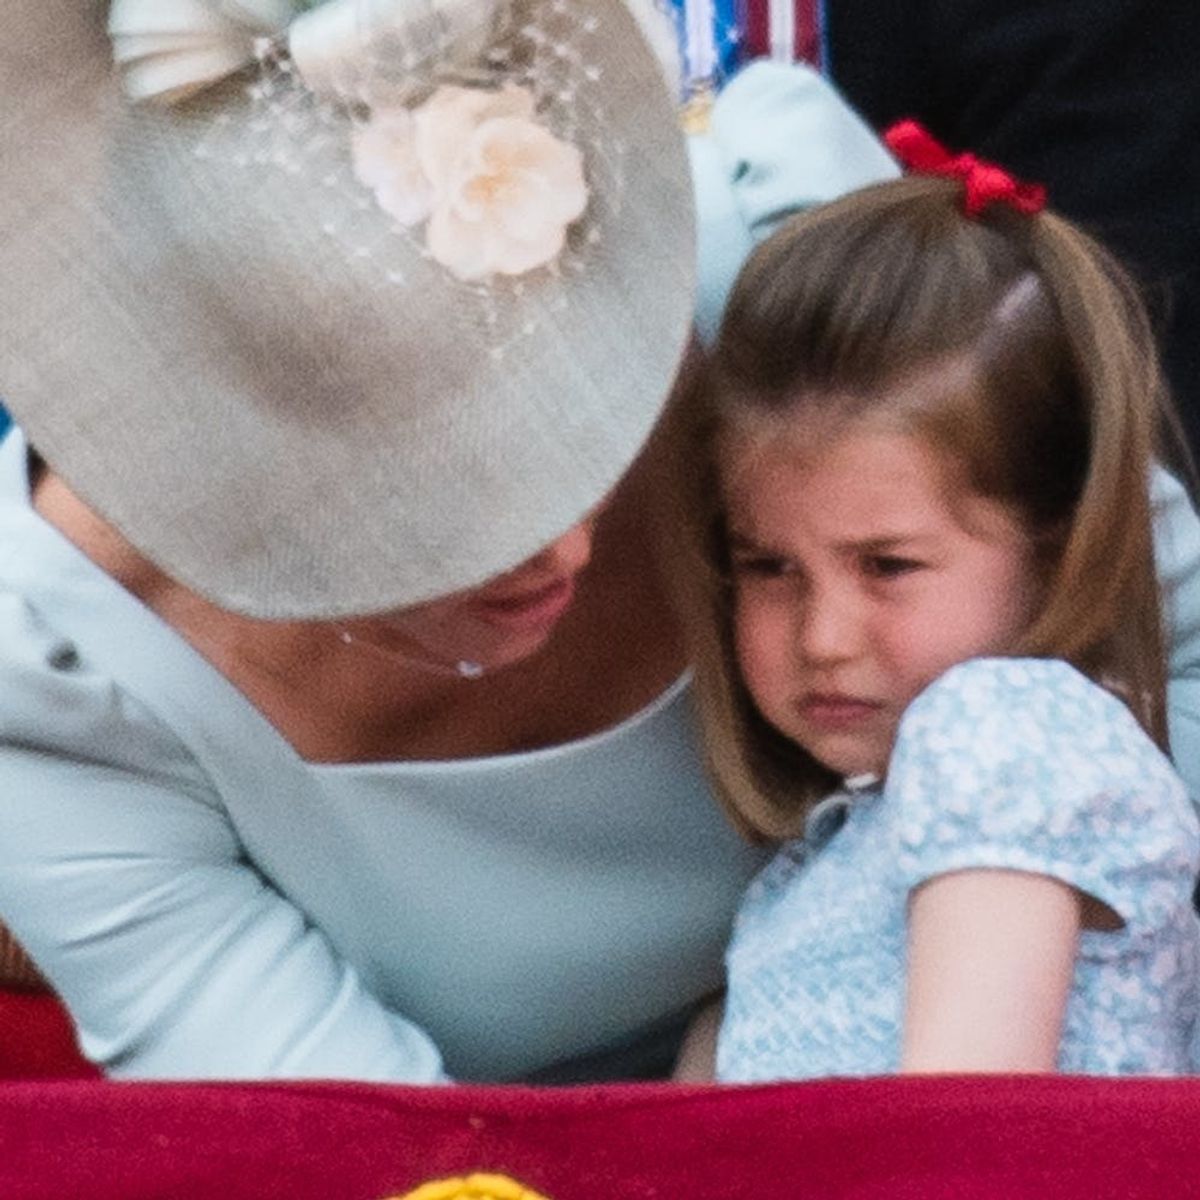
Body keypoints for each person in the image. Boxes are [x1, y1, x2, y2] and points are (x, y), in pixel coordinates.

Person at [669, 124, 1200, 1081]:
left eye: (888, 566)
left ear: (1056, 544)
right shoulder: (807, 873)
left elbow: (960, 1137)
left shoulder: (1012, 733)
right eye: (768, 566)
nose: (824, 639)